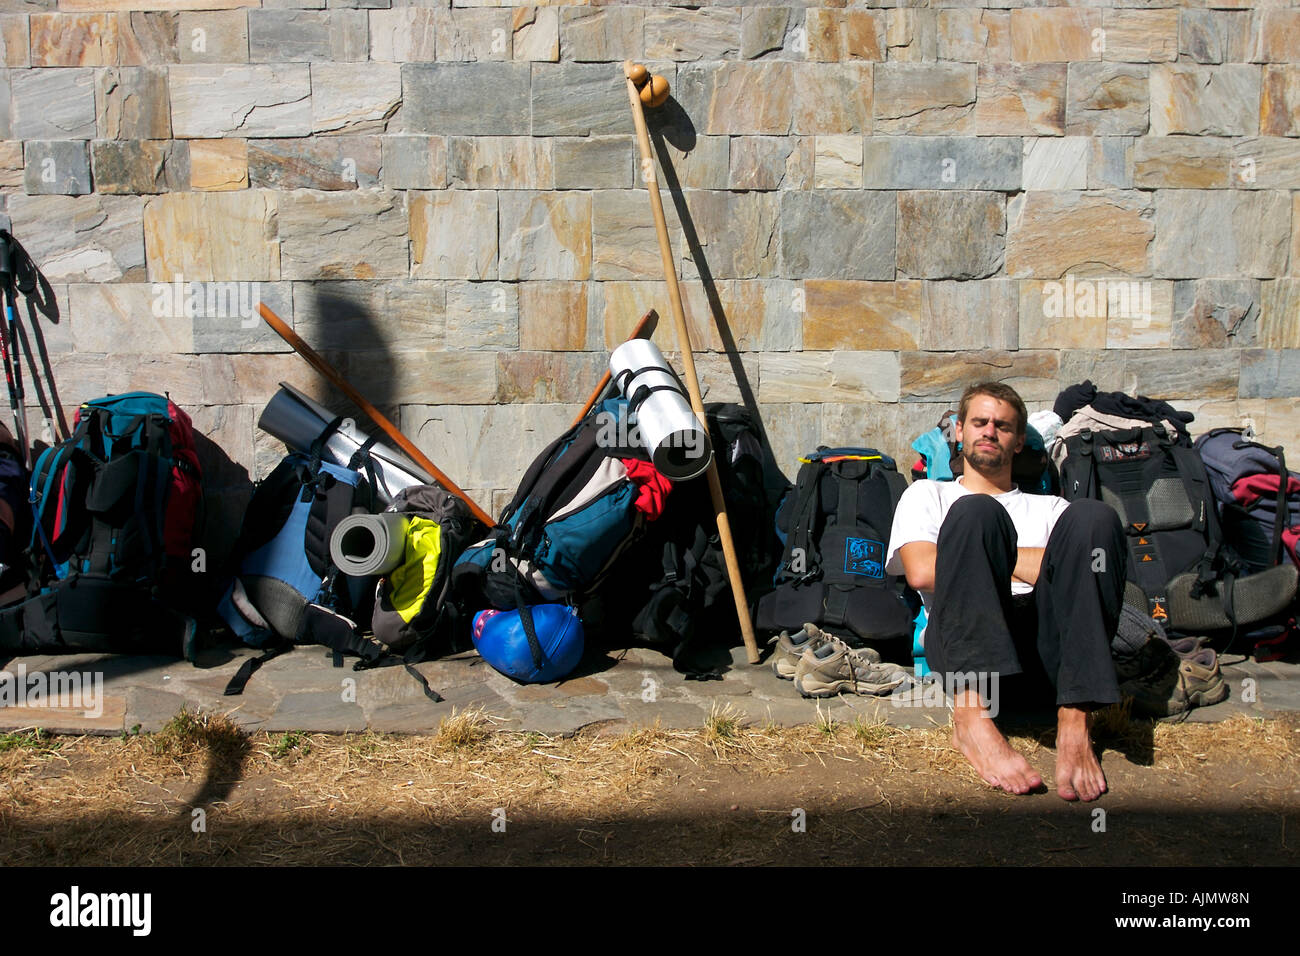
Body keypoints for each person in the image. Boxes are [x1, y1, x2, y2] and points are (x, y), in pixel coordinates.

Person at [886, 382, 1127, 801]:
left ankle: (1074, 722)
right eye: (979, 422)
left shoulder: (1052, 508)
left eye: (1003, 426)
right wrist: (1033, 559)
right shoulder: (929, 495)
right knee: (976, 512)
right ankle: (972, 721)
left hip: (1048, 657)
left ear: (1018, 442)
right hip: (970, 655)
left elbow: (1086, 575)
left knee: (1096, 517)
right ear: (959, 432)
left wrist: (986, 558)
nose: (989, 431)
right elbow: (922, 572)